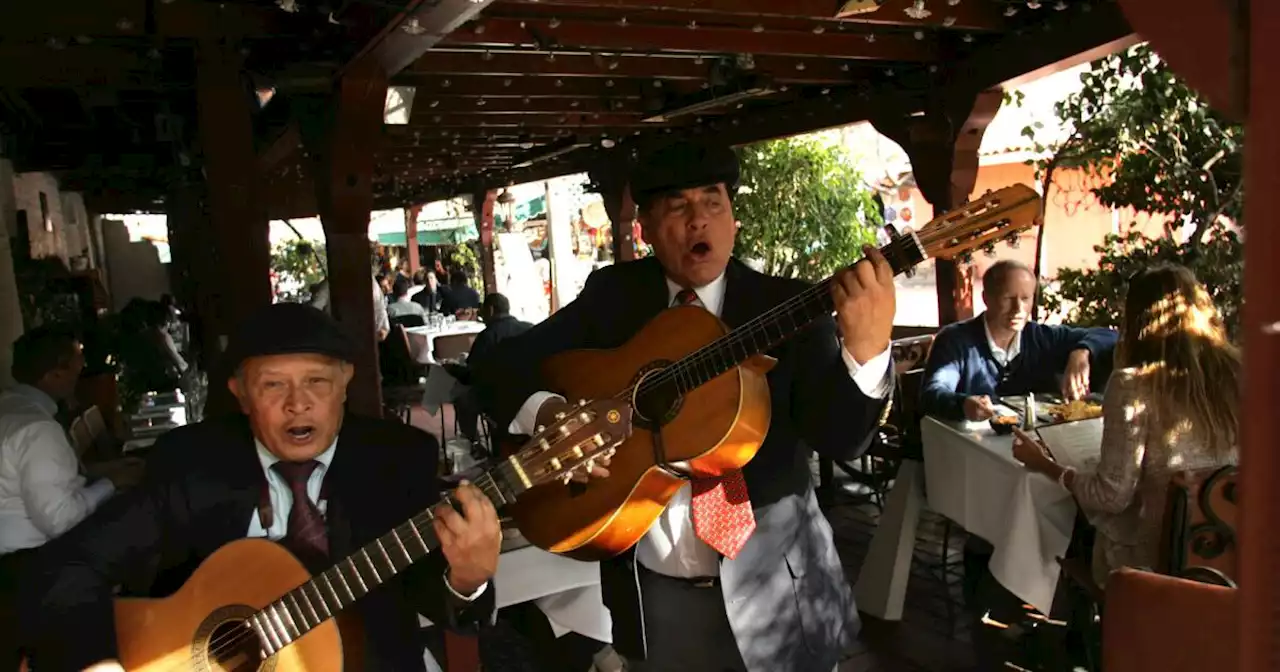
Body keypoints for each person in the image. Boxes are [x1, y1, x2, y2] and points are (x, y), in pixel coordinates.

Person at [471, 141, 896, 672]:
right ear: (646, 226)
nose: (699, 220)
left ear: (734, 219)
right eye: (677, 206)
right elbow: (497, 365)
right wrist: (551, 415)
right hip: (654, 600)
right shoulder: (613, 297)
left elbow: (845, 438)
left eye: (714, 202)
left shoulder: (787, 306)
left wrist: (868, 352)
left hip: (781, 596)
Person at [19, 304, 500, 671]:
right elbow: (68, 566)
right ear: (241, 393)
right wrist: (100, 664)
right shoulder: (190, 463)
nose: (298, 404)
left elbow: (427, 594)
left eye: (316, 381)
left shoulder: (398, 459)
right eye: (273, 386)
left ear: (345, 382)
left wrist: (469, 580)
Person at [1013, 264, 1240, 585]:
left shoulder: (1134, 385)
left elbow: (1111, 496)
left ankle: (1053, 611)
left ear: (1136, 319)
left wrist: (1046, 465)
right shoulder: (1241, 373)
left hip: (1157, 565)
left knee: (1073, 526)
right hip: (1232, 554)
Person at [0, 327, 142, 668]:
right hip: (32, 574)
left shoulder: (8, 411)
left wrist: (102, 474)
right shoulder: (37, 429)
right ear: (55, 374)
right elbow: (60, 520)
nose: (82, 376)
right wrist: (112, 482)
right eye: (77, 369)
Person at [921, 260, 1119, 421]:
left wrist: (1082, 352)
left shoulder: (1040, 337)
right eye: (1008, 298)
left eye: (1025, 298)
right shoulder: (956, 340)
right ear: (986, 298)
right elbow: (933, 392)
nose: (1018, 309)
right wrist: (963, 405)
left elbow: (1110, 335)